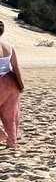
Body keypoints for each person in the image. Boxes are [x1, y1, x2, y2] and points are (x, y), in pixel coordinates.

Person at [0, 20, 25, 151]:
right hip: (11, 81)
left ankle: (1, 134)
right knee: (10, 116)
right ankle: (11, 143)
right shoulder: (9, 46)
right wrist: (21, 85)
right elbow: (16, 67)